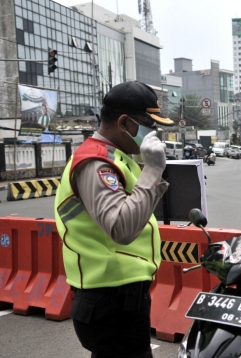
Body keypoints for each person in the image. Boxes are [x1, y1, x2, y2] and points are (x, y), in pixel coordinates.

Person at [54, 81, 174, 357]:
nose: (153, 133)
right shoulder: (96, 163)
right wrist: (154, 169)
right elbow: (121, 228)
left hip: (117, 296)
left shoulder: (117, 157)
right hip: (110, 299)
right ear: (124, 122)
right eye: (149, 124)